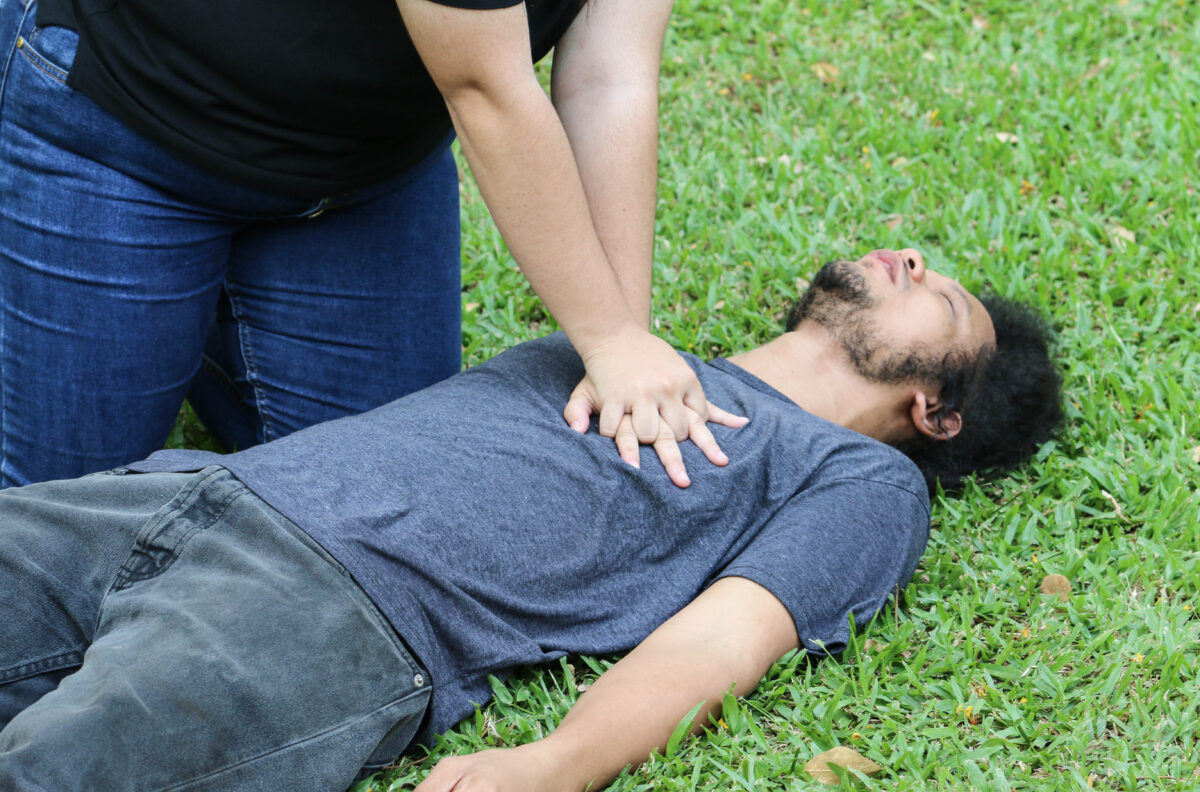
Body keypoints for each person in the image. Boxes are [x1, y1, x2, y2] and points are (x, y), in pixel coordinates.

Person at [0, 250, 1063, 791]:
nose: (911, 256)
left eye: (945, 296)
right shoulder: (628, 340)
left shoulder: (861, 482)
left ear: (938, 409)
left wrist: (556, 760)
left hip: (335, 608)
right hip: (175, 491)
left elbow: (725, 634)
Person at [0, 0, 733, 488]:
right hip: (130, 124)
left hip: (362, 173)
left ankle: (192, 310)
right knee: (58, 513)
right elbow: (485, 87)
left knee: (383, 504)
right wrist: (604, 337)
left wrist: (625, 345)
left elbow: (610, 75)